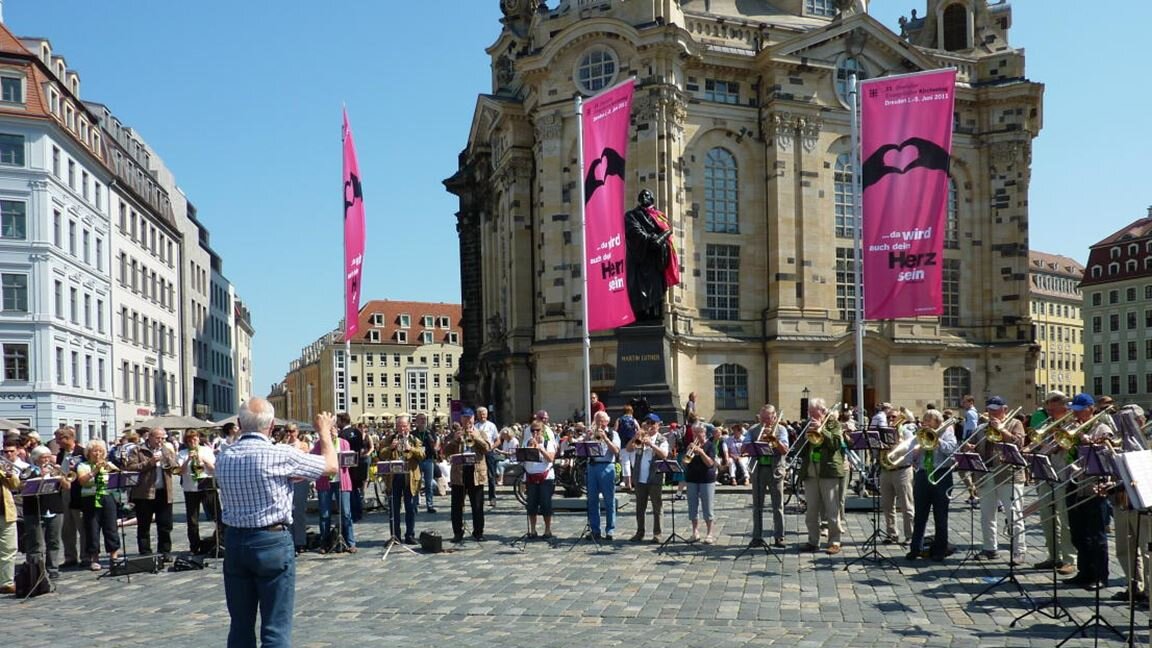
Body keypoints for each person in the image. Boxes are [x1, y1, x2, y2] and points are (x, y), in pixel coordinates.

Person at [216, 399, 335, 648]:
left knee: (240, 626)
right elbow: (331, 466)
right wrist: (324, 432)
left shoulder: (224, 456)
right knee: (275, 630)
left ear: (238, 424)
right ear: (271, 425)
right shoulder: (280, 454)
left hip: (235, 540)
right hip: (271, 540)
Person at [967, 395, 1026, 564]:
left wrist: (1001, 429)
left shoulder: (1015, 423)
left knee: (1014, 514)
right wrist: (969, 447)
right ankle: (989, 548)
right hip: (985, 474)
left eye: (995, 410)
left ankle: (1019, 551)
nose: (992, 413)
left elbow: (1018, 444)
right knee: (987, 514)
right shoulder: (982, 427)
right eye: (989, 409)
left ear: (1004, 410)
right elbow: (971, 444)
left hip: (1009, 475)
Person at [1064, 393, 1112, 591]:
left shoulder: (1102, 427)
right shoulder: (1072, 427)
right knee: (1078, 532)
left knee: (1096, 536)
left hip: (1094, 485)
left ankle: (1100, 576)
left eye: (1079, 410)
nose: (1075, 414)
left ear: (1091, 409)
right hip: (1074, 482)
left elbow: (1106, 451)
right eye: (1074, 410)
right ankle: (1084, 572)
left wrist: (1084, 438)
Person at [1030, 391, 1077, 575]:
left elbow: (1068, 447)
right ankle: (1053, 556)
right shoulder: (1047, 424)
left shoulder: (1072, 424)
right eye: (1047, 405)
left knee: (1064, 520)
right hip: (1045, 473)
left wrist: (1054, 441)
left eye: (1051, 406)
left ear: (1062, 406)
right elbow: (1041, 445)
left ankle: (1069, 559)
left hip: (1064, 474)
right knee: (1046, 517)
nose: (1048, 409)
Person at [906, 409, 958, 561]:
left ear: (937, 422)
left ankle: (940, 550)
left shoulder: (947, 431)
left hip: (942, 473)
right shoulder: (920, 434)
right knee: (920, 514)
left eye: (929, 420)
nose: (925, 423)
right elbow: (911, 456)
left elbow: (952, 450)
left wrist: (936, 440)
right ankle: (916, 548)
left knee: (940, 515)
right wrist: (916, 452)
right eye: (925, 419)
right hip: (923, 474)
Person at [124, 427, 178, 561]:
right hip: (144, 493)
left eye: (163, 438)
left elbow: (174, 466)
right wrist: (150, 462)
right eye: (158, 438)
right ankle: (145, 552)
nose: (160, 441)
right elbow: (131, 467)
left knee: (165, 525)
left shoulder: (165, 449)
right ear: (150, 437)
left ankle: (165, 551)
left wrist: (169, 460)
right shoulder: (138, 450)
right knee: (144, 525)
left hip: (163, 492)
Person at [624, 189, 679, 321]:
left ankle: (655, 314)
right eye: (641, 195)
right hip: (640, 259)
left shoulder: (660, 216)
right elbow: (633, 232)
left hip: (656, 260)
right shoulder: (631, 215)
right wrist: (651, 239)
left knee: (656, 293)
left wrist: (660, 241)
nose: (644, 197)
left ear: (652, 199)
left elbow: (667, 235)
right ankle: (640, 315)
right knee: (638, 292)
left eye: (647, 195)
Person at [800, 398, 845, 554]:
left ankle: (835, 541)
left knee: (832, 510)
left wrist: (822, 429)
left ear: (822, 411)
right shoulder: (807, 424)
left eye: (813, 412)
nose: (810, 416)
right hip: (811, 472)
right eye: (809, 412)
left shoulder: (834, 424)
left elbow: (836, 445)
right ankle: (813, 541)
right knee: (811, 510)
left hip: (828, 471)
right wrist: (804, 434)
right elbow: (799, 449)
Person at [744, 404, 790, 548]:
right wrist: (757, 441)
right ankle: (757, 536)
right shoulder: (753, 430)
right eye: (762, 418)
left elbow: (785, 450)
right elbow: (744, 448)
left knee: (778, 505)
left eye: (767, 418)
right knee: (757, 506)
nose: (764, 422)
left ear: (774, 417)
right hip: (759, 470)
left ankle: (779, 536)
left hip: (775, 470)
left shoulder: (781, 430)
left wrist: (773, 439)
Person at [444, 408, 491, 542]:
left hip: (475, 473)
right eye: (465, 418)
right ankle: (457, 533)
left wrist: (475, 437)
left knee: (477, 505)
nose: (467, 421)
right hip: (459, 473)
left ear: (473, 419)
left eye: (469, 418)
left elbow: (487, 448)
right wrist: (455, 441)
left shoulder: (480, 432)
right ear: (461, 420)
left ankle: (478, 532)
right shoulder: (453, 434)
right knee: (457, 506)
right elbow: (445, 452)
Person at [75, 439, 121, 571]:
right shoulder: (83, 466)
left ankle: (114, 556)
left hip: (107, 497)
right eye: (95, 451)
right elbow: (82, 481)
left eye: (101, 451)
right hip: (90, 498)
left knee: (111, 527)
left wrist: (113, 469)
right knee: (92, 528)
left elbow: (120, 476)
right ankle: (94, 558)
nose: (98, 454)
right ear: (88, 453)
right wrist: (94, 471)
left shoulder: (107, 464)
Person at [21, 445, 65, 581]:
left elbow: (68, 485)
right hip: (34, 509)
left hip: (55, 507)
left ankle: (53, 568)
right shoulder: (28, 470)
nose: (46, 460)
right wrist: (39, 475)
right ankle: (36, 569)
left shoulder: (55, 470)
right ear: (35, 459)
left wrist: (61, 476)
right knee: (36, 543)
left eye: (48, 456)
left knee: (54, 540)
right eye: (43, 458)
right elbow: (22, 487)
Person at [312, 423, 356, 553]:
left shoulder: (343, 443)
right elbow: (315, 461)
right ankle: (324, 543)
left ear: (337, 430)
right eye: (328, 430)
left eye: (333, 430)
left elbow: (349, 462)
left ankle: (350, 542)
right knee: (325, 514)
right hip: (325, 482)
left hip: (341, 481)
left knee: (346, 513)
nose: (331, 432)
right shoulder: (319, 444)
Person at [382, 414, 425, 544]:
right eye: (399, 426)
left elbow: (423, 454)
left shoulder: (414, 440)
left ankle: (410, 535)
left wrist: (410, 448)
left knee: (410, 507)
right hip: (394, 478)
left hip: (410, 478)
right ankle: (395, 535)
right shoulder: (390, 439)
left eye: (404, 426)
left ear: (409, 427)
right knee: (394, 509)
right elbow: (381, 454)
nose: (402, 429)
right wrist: (390, 448)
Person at [627, 413, 668, 543]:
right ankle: (640, 532)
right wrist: (635, 437)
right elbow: (628, 449)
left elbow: (664, 455)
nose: (650, 426)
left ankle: (657, 533)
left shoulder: (662, 440)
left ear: (658, 425)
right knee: (640, 507)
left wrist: (651, 444)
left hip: (654, 478)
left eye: (653, 423)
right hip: (640, 478)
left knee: (657, 507)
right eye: (648, 423)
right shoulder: (641, 437)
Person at [582, 410, 621, 541]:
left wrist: (605, 438)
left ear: (607, 421)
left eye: (602, 421)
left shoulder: (613, 433)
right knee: (592, 500)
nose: (599, 424)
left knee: (609, 500)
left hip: (607, 465)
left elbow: (616, 451)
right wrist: (587, 438)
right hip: (592, 466)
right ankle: (595, 530)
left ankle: (610, 530)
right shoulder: (591, 433)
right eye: (597, 421)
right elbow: (582, 449)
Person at [178, 429, 217, 554]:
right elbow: (180, 471)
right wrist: (188, 460)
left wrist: (204, 460)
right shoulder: (182, 453)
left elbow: (213, 469)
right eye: (189, 441)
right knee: (192, 519)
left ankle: (219, 541)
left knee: (216, 514)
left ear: (198, 439)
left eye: (194, 439)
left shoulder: (206, 450)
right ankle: (194, 546)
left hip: (206, 485)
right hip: (191, 488)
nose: (192, 442)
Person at [879, 410, 915, 545]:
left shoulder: (906, 432)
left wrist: (897, 443)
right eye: (889, 417)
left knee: (906, 505)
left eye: (894, 417)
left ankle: (910, 535)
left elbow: (910, 448)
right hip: (886, 470)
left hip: (902, 470)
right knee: (887, 505)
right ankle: (891, 533)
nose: (891, 419)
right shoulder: (883, 433)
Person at [53, 425, 86, 568]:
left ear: (68, 438)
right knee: (67, 528)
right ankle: (70, 556)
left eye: (59, 439)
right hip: (64, 491)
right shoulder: (61, 454)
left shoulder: (82, 452)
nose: (57, 442)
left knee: (82, 526)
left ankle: (86, 556)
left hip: (79, 491)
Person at [684, 421, 718, 544]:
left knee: (707, 507)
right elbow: (685, 462)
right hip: (692, 478)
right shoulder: (691, 445)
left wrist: (701, 452)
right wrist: (689, 451)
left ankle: (709, 533)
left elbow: (710, 463)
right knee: (692, 507)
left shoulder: (710, 445)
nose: (697, 435)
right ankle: (695, 532)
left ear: (705, 433)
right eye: (695, 433)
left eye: (700, 433)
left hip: (706, 480)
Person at [522, 420, 557, 539]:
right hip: (530, 476)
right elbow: (522, 458)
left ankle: (547, 530)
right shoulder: (526, 442)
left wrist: (540, 448)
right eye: (533, 430)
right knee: (531, 505)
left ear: (542, 431)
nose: (535, 432)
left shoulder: (548, 443)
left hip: (545, 477)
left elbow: (551, 458)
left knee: (545, 504)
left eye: (537, 430)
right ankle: (533, 530)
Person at [281, 423, 312, 554]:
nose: (289, 433)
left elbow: (301, 460)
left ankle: (300, 541)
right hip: (286, 482)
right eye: (287, 431)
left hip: (300, 481)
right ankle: (289, 540)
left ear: (297, 432)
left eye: (292, 431)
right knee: (287, 512)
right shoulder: (282, 446)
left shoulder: (303, 445)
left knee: (298, 512)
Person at [338, 413, 372, 523]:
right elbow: (361, 448)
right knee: (357, 490)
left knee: (350, 491)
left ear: (343, 421)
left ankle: (352, 514)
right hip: (358, 464)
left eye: (338, 421)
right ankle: (359, 512)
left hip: (347, 467)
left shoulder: (342, 434)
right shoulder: (357, 431)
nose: (337, 423)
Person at [0, 436, 21, 593]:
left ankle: (7, 582)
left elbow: (16, 485)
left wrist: (9, 474)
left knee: (9, 548)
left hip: (5, 511)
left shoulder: (3, 466)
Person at [413, 413, 439, 513]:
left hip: (428, 460)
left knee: (429, 484)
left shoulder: (429, 432)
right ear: (416, 421)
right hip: (417, 461)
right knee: (416, 484)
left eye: (425, 419)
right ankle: (415, 505)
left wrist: (436, 447)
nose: (423, 421)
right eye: (421, 419)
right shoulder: (413, 434)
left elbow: (437, 441)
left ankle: (430, 505)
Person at [475, 406, 500, 507]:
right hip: (479, 453)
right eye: (480, 414)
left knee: (491, 476)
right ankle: (479, 498)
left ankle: (492, 497)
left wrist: (492, 447)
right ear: (477, 415)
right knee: (478, 475)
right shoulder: (475, 426)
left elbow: (498, 440)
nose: (482, 416)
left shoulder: (491, 426)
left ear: (487, 415)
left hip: (489, 452)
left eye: (484, 414)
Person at [959, 394, 980, 506]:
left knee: (963, 471)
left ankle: (974, 493)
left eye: (964, 402)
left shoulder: (970, 413)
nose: (962, 404)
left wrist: (966, 443)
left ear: (970, 402)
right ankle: (973, 494)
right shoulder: (972, 413)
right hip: (969, 442)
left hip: (968, 443)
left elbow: (972, 429)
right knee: (972, 471)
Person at [615, 404, 639, 491]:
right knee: (634, 463)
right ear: (631, 411)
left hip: (623, 444)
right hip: (633, 444)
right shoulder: (633, 420)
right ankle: (637, 483)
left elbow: (615, 430)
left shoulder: (619, 419)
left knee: (625, 464)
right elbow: (639, 430)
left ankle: (628, 484)